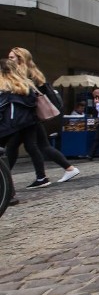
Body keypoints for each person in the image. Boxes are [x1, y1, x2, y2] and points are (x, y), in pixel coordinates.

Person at [6, 47, 81, 184]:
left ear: (20, 59)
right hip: (31, 118)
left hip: (27, 118)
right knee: (37, 146)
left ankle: (12, 180)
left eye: (12, 57)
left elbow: (26, 98)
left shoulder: (24, 76)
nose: (9, 60)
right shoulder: (33, 73)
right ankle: (63, 170)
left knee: (17, 147)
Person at [0, 58, 48, 194]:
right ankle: (40, 177)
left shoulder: (4, 85)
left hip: (10, 125)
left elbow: (1, 107)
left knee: (8, 153)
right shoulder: (26, 84)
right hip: (28, 123)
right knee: (29, 148)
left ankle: (7, 192)